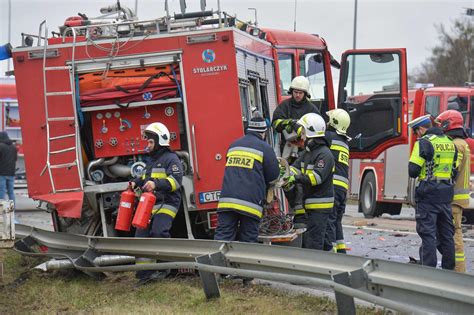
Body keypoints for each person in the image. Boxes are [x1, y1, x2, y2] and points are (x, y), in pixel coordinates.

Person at [131, 122, 183, 285]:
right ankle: (144, 275)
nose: (148, 145)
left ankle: (165, 269)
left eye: (151, 142)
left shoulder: (171, 159)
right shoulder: (151, 161)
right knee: (140, 236)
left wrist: (156, 184)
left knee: (159, 232)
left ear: (160, 142)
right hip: (150, 204)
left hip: (167, 203)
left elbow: (176, 181)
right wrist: (135, 182)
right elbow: (145, 177)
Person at [215, 114, 280, 243]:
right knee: (248, 241)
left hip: (226, 201)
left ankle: (217, 263)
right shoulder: (265, 149)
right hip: (250, 205)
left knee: (223, 238)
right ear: (264, 132)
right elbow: (273, 177)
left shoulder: (233, 145)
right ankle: (243, 263)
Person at [408, 114, 457, 270]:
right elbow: (453, 171)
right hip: (446, 195)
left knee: (428, 234)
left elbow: (413, 171)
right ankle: (449, 271)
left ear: (422, 129)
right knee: (446, 236)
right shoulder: (450, 143)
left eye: (416, 131)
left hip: (428, 194)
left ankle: (428, 272)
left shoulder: (424, 143)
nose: (416, 135)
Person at [284, 113, 334, 250]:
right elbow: (294, 169)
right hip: (310, 207)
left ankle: (316, 268)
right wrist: (284, 173)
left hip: (320, 207)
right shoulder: (307, 153)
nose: (300, 134)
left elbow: (316, 178)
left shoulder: (324, 154)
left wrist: (296, 178)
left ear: (309, 132)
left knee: (314, 243)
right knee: (310, 242)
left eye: (302, 130)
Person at [436, 110, 470, 272]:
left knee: (454, 235)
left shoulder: (456, 145)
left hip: (453, 199)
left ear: (448, 124)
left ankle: (458, 272)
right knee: (452, 234)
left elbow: (451, 170)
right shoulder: (462, 143)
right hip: (457, 198)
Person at [272, 76, 320, 161]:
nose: (297, 95)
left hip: (306, 150)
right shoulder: (284, 106)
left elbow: (319, 130)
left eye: (300, 93)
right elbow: (275, 123)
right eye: (295, 92)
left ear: (305, 93)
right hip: (287, 149)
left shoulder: (312, 109)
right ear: (291, 91)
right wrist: (289, 123)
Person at [323, 109, 351, 253]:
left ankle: (332, 255)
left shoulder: (329, 136)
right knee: (337, 221)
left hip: (332, 186)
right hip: (342, 189)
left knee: (329, 221)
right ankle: (341, 251)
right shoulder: (345, 142)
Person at [0, 131, 17, 205]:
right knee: (11, 193)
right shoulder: (13, 147)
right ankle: (12, 212)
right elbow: (15, 159)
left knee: (2, 193)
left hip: (2, 173)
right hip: (11, 173)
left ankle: (1, 211)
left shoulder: (0, 146)